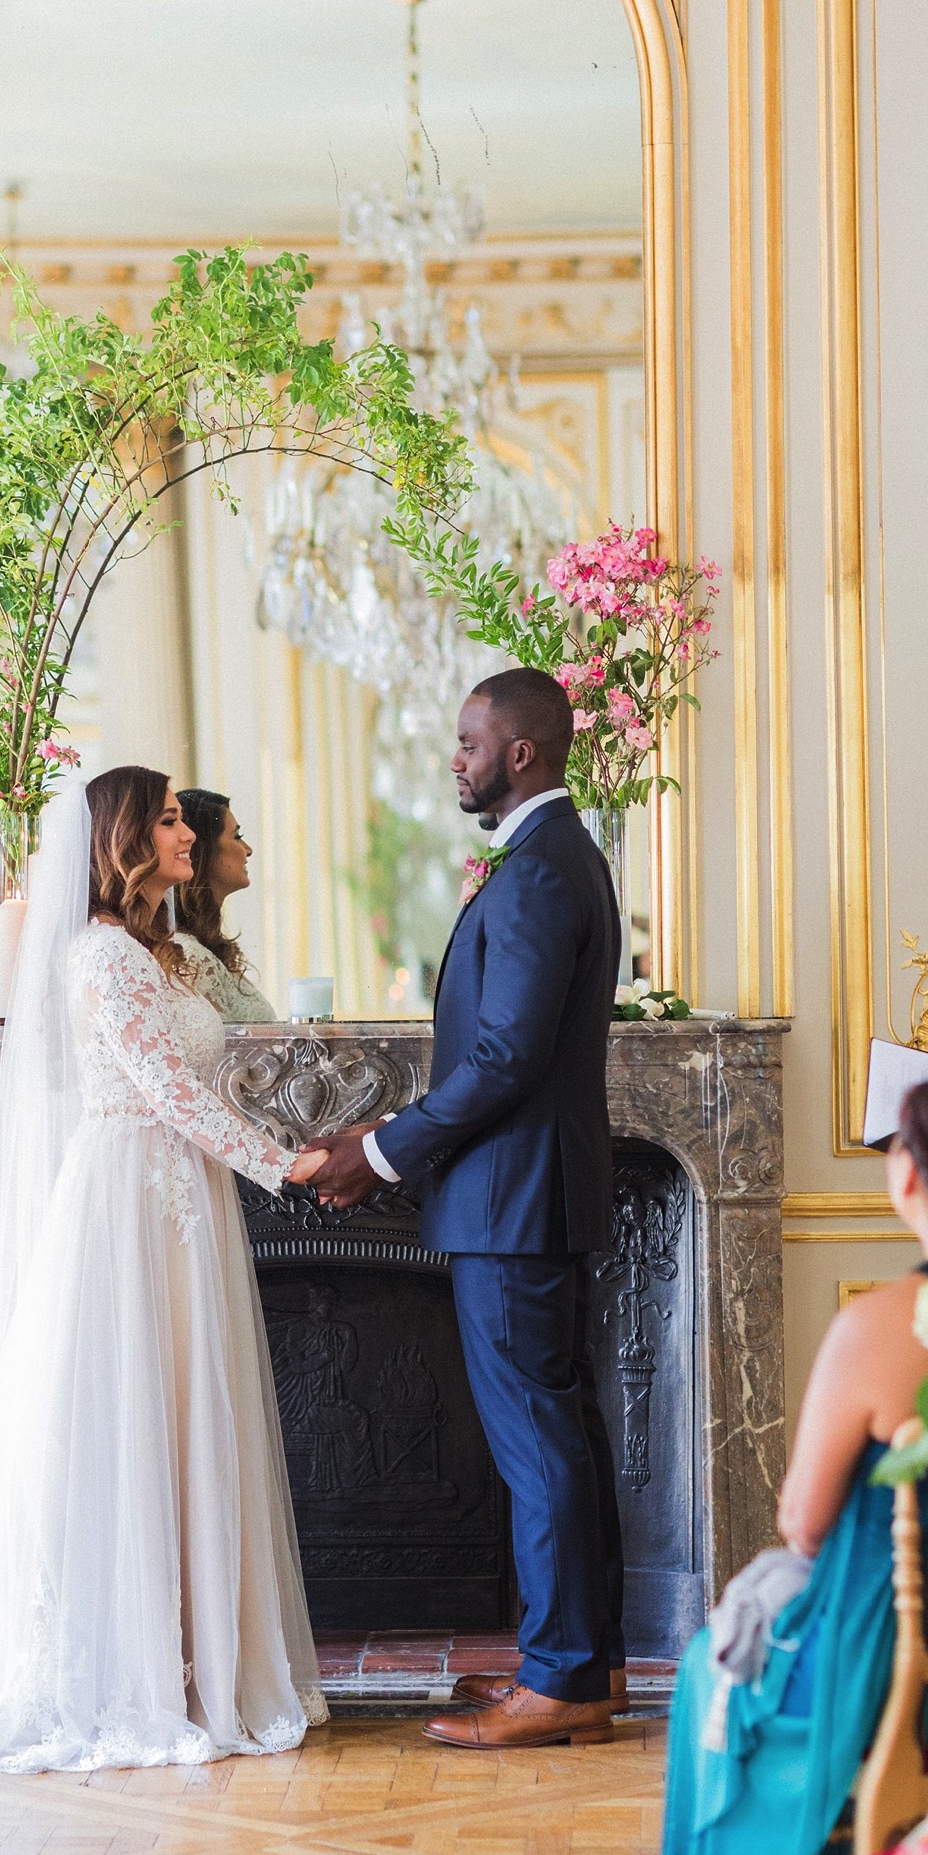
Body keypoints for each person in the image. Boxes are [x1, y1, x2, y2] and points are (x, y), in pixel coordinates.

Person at [0, 767, 328, 1772]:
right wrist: (287, 1164)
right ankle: (127, 1673)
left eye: (184, 817)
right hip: (129, 1204)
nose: (184, 829)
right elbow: (162, 1090)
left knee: (192, 1417)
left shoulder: (167, 952)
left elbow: (199, 1076)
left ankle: (199, 1663)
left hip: (185, 1200)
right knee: (133, 1418)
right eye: (164, 818)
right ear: (121, 837)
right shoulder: (101, 958)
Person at [301, 668, 626, 1750]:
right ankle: (579, 1667)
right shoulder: (551, 858)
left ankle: (565, 1676)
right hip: (523, 1200)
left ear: (520, 752)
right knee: (557, 1437)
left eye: (468, 741)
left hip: (514, 1205)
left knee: (540, 1446)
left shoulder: (538, 872)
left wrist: (381, 1152)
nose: (456, 758)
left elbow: (504, 1058)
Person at [657, 1064, 928, 1855]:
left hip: (896, 1672)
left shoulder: (881, 1325)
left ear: (907, 1179)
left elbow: (803, 1524)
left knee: (713, 1668)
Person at [172, 787, 278, 1022]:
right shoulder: (190, 956)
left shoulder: (206, 947)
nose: (248, 850)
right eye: (237, 837)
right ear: (204, 850)